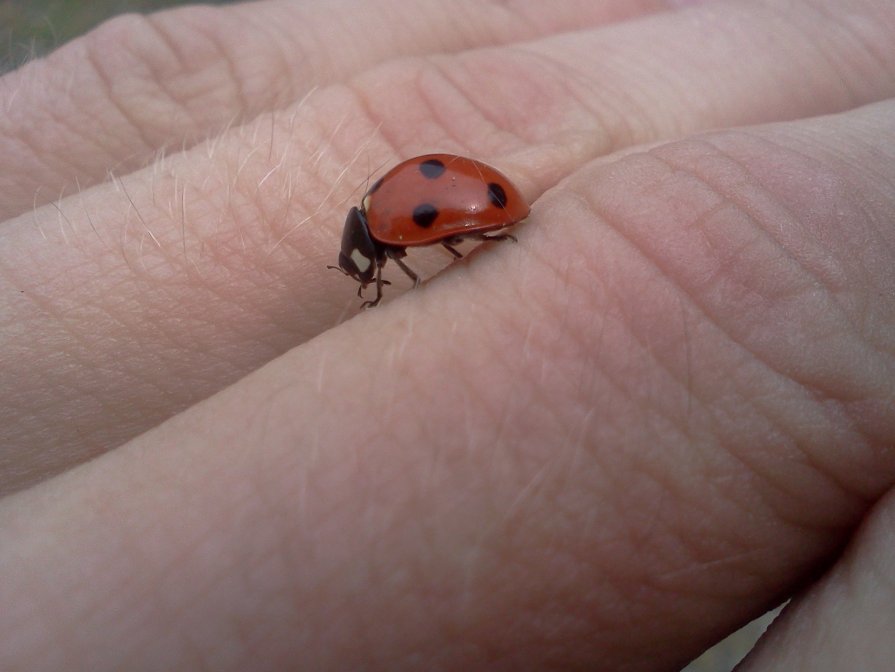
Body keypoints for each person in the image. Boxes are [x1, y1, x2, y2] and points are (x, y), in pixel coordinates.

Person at [1, 0, 893, 669]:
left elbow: (409, 233)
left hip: (482, 207)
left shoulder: (388, 229)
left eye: (364, 267)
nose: (366, 271)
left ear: (368, 252)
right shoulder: (385, 222)